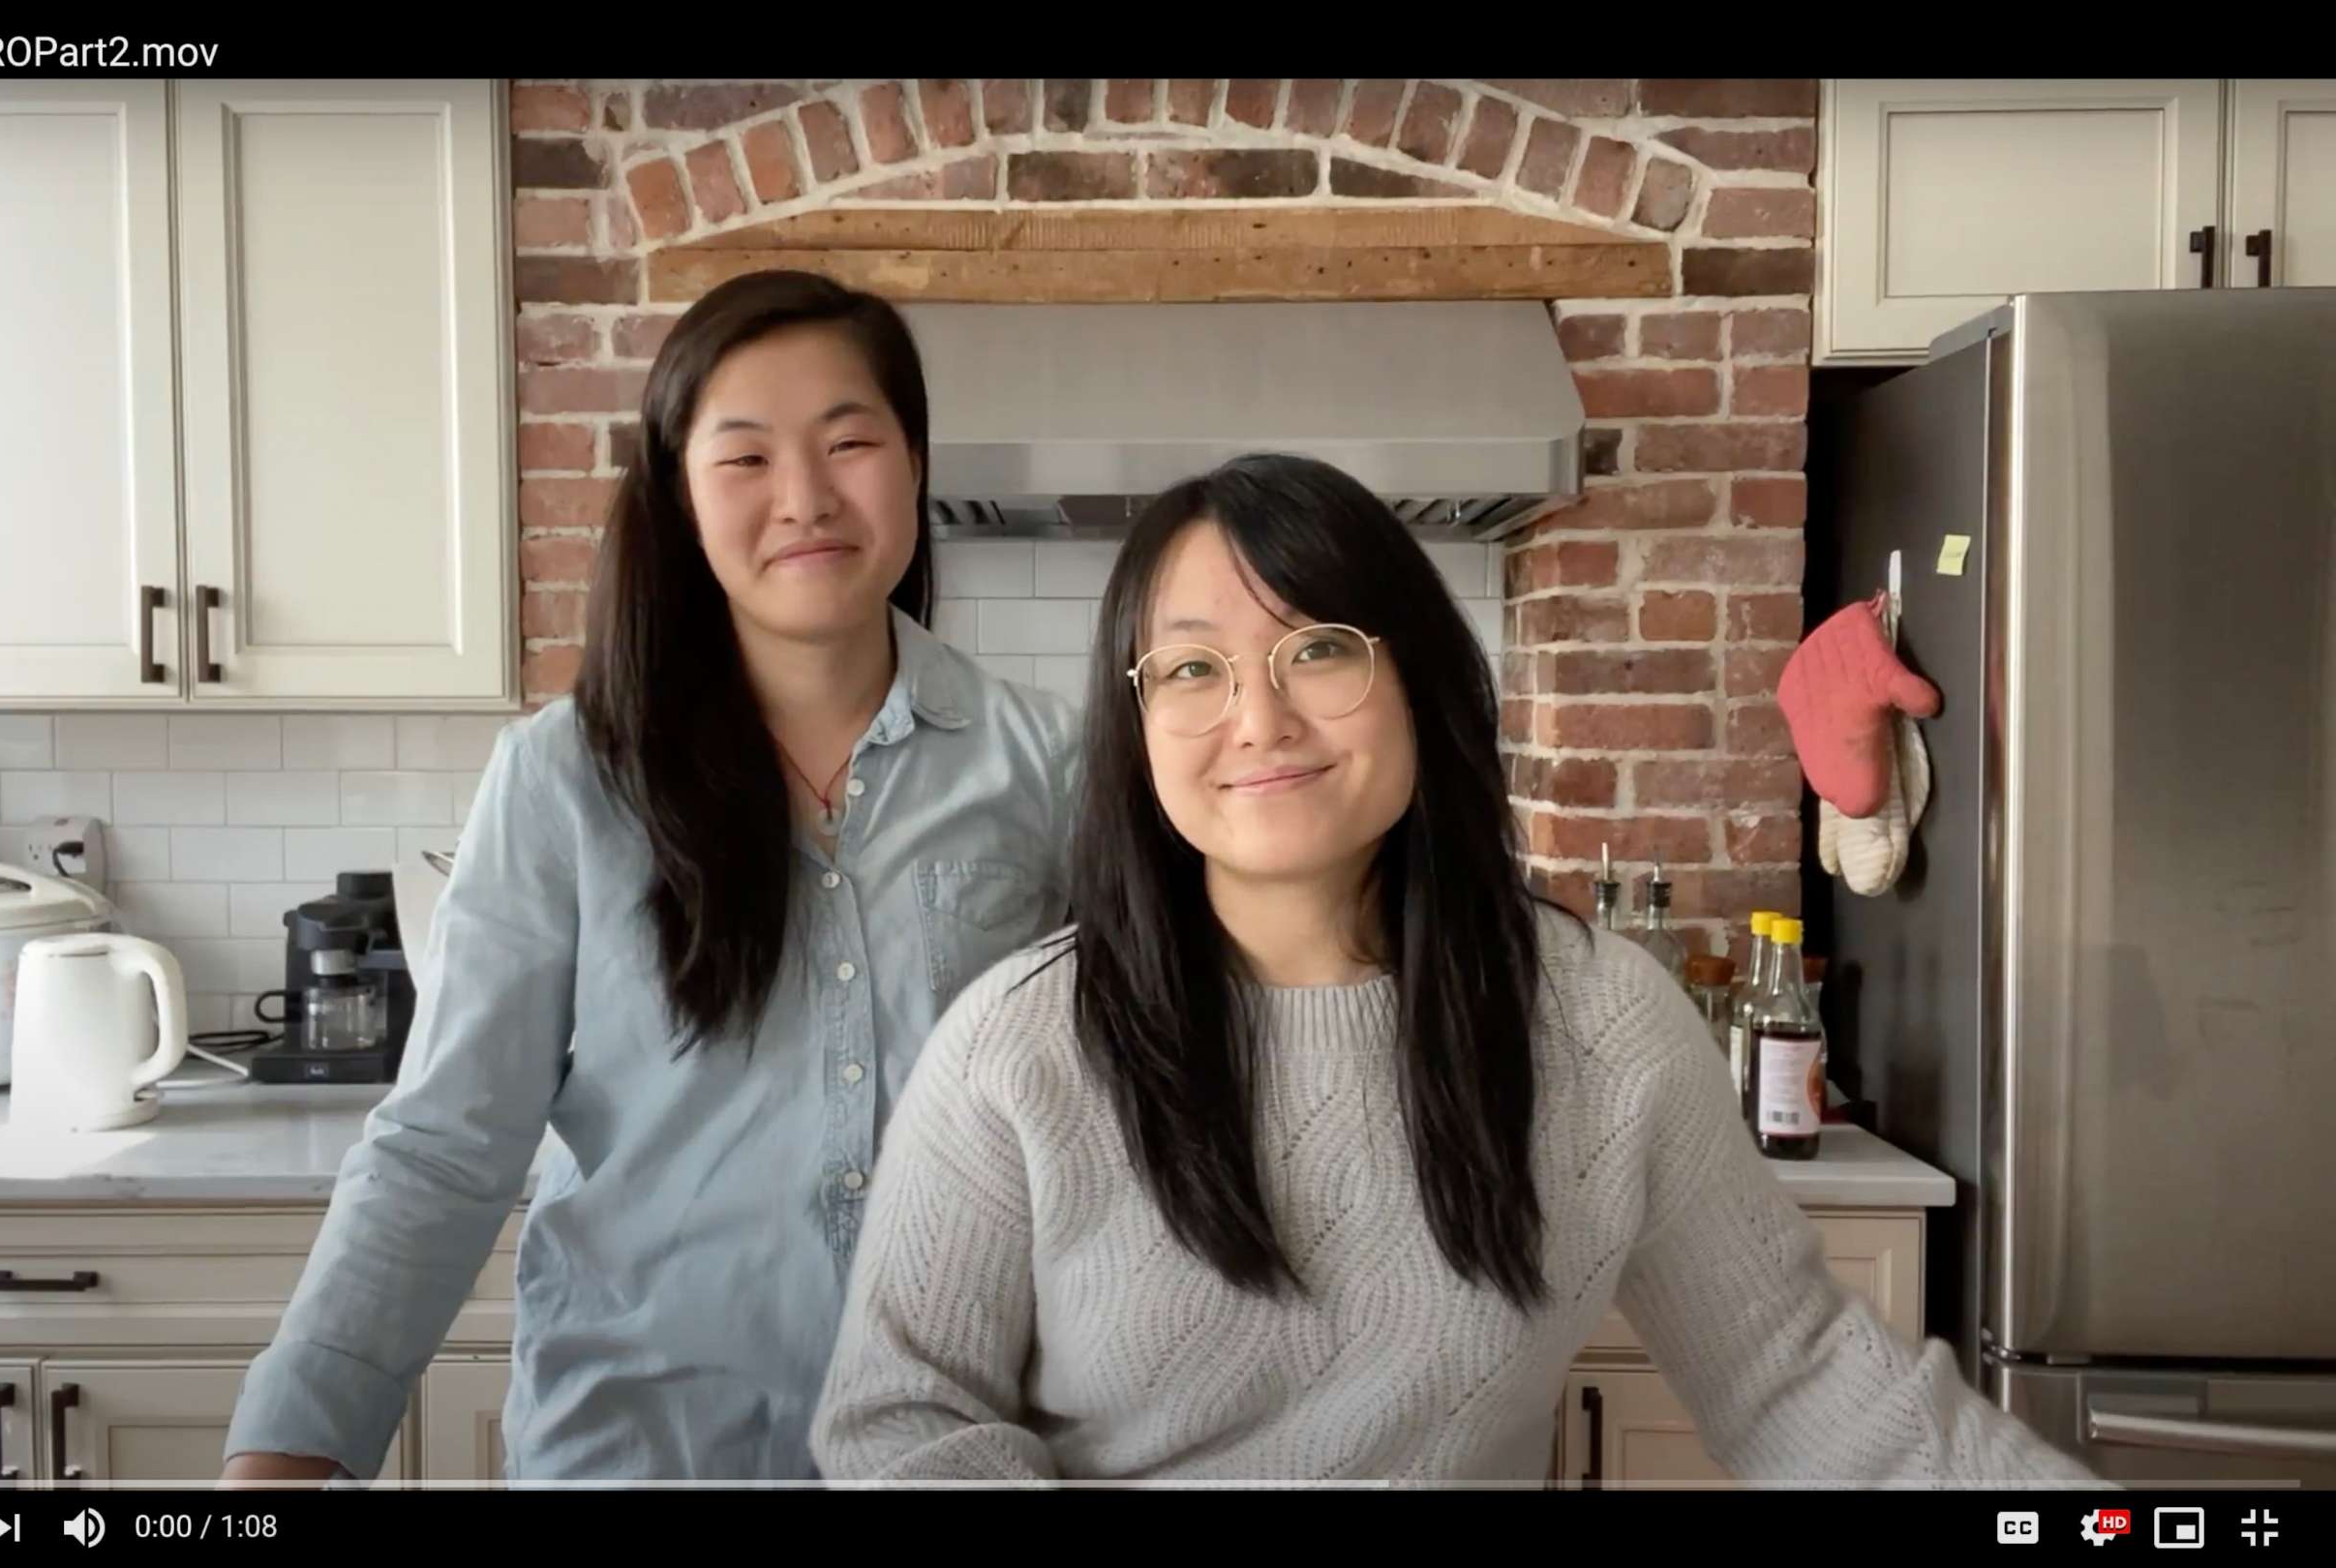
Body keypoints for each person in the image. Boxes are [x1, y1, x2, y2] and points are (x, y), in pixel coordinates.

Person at [807, 453, 2099, 1485]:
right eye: (1193, 667)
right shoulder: (1023, 1047)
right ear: (1137, 727)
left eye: (1320, 648)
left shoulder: (1598, 1024)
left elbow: (1800, 1377)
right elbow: (902, 1423)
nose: (1258, 718)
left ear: (1422, 680)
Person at [220, 270, 1078, 1483]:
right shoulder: (562, 779)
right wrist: (293, 1444)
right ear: (679, 493)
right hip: (636, 1456)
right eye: (745, 459)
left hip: (963, 1456)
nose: (806, 499)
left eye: (851, 442)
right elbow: (445, 1149)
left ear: (916, 463)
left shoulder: (1048, 764)